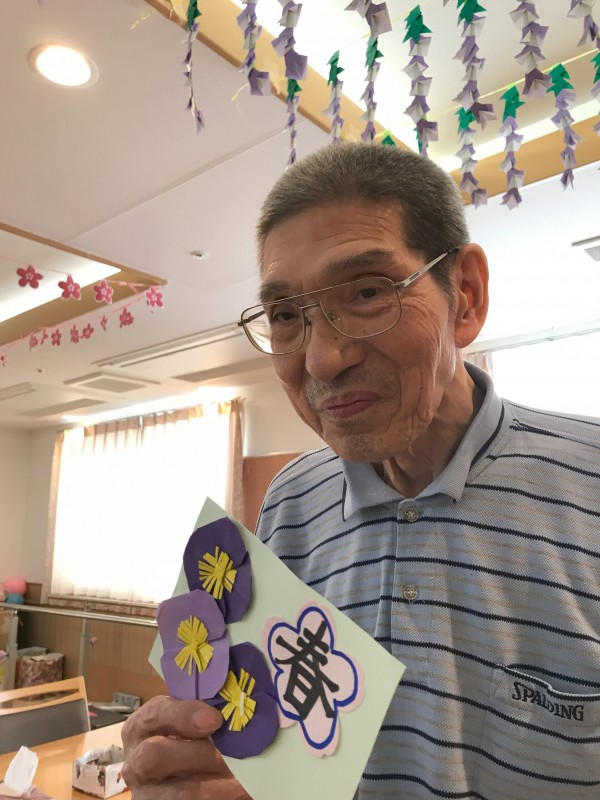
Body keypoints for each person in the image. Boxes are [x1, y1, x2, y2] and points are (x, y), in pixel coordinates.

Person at [122, 142, 600, 799]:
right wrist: (197, 765)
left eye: (369, 291)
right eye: (285, 316)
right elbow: (287, 759)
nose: (322, 360)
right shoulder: (292, 502)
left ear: (465, 297)